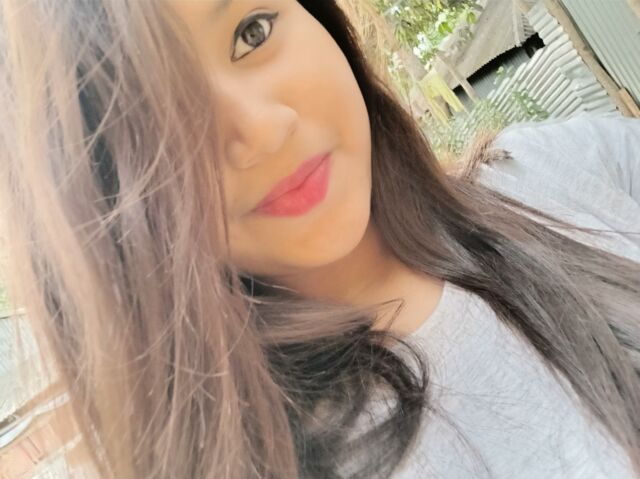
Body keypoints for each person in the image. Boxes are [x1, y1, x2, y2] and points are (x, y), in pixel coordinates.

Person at [0, 0, 638, 477]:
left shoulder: (556, 170)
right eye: (158, 124)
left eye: (252, 32)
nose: (263, 129)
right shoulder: (248, 457)